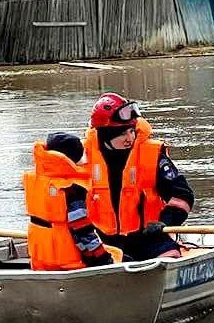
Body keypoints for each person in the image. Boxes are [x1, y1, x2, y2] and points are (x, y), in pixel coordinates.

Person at [83, 93, 194, 261]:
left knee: (169, 254)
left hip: (147, 237)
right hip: (101, 240)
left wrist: (165, 222)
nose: (130, 138)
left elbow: (183, 195)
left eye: (131, 131)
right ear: (105, 134)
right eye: (122, 134)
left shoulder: (152, 155)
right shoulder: (83, 157)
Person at [22, 131, 119, 271]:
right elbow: (81, 229)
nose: (85, 158)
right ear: (71, 158)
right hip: (67, 260)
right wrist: (102, 258)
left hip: (40, 258)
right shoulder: (73, 188)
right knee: (120, 255)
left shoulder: (37, 180)